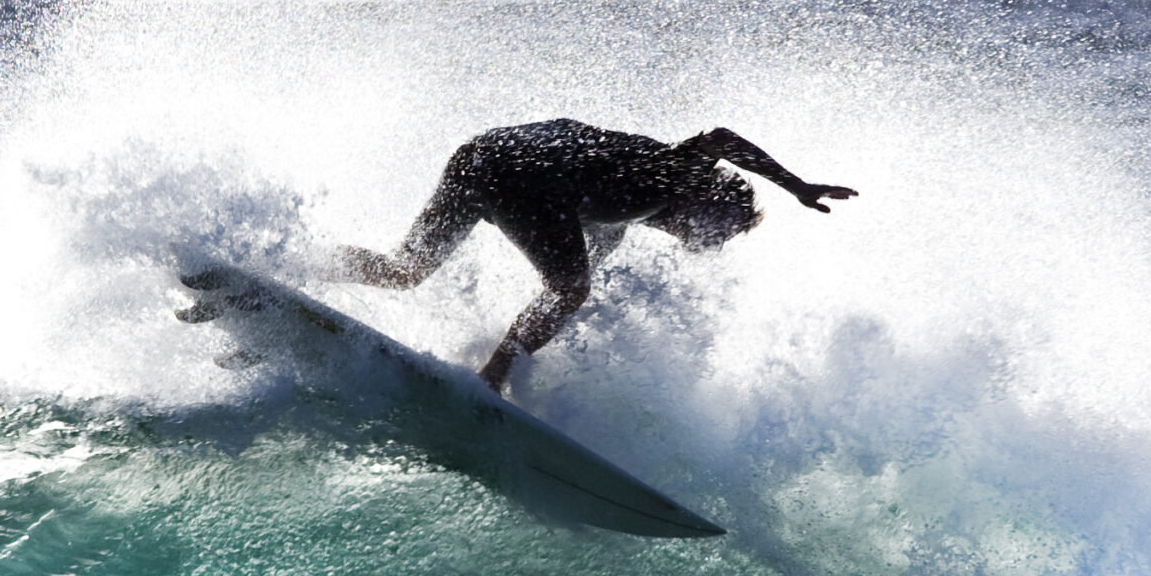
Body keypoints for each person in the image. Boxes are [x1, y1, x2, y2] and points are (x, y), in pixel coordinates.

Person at [331, 121, 857, 391]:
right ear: (707, 199)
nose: (707, 244)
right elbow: (718, 137)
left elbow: (556, 299)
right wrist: (796, 186)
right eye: (720, 231)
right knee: (570, 288)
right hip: (522, 173)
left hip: (481, 156)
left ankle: (292, 260)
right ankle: (491, 380)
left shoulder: (617, 220)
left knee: (406, 271)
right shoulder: (672, 176)